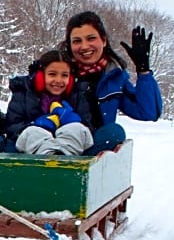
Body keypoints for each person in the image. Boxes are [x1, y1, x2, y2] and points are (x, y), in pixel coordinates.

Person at [63, 11, 162, 155]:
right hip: (57, 142)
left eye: (91, 38)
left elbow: (148, 112)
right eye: (77, 41)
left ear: (103, 40)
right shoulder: (57, 72)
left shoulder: (113, 79)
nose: (84, 46)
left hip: (92, 147)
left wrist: (143, 71)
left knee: (114, 133)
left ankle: (80, 170)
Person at [0, 49, 94, 155]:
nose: (59, 80)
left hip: (70, 146)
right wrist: (37, 126)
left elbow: (87, 127)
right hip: (32, 148)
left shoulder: (78, 94)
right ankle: (48, 156)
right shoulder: (23, 93)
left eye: (64, 75)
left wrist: (70, 121)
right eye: (52, 74)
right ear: (41, 75)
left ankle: (60, 157)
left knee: (80, 129)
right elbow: (13, 126)